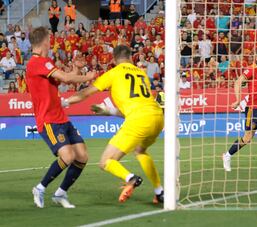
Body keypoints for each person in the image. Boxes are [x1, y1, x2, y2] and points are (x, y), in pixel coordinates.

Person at [65, 45, 164, 204]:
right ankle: (160, 192)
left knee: (105, 162)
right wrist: (110, 111)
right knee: (140, 150)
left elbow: (85, 93)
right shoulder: (142, 74)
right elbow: (134, 106)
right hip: (157, 117)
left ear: (113, 59)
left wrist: (64, 102)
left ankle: (131, 178)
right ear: (131, 58)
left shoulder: (113, 73)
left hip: (138, 120)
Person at [26, 26, 96, 208]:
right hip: (48, 120)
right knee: (68, 155)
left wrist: (76, 69)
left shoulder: (45, 62)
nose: (51, 43)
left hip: (61, 117)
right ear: (43, 41)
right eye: (49, 40)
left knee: (82, 156)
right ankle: (40, 188)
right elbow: (66, 79)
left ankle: (60, 193)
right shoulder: (36, 62)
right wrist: (89, 77)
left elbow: (66, 77)